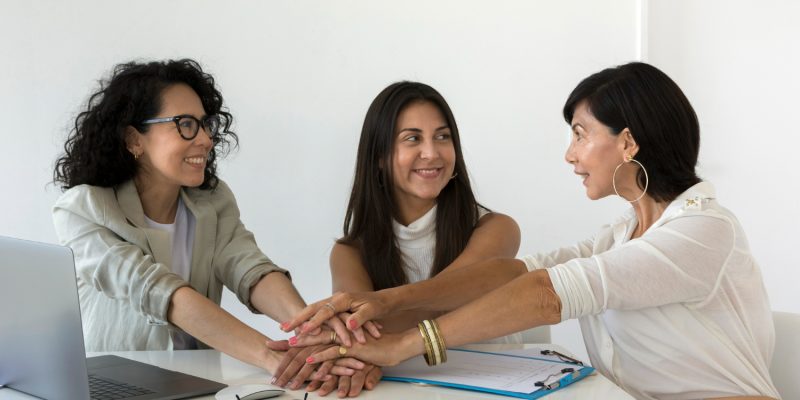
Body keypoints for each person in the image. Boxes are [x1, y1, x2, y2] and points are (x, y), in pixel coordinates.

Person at [282, 63, 779, 400]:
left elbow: (548, 292)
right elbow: (515, 274)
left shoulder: (703, 231)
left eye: (580, 134)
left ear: (627, 143)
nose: (570, 153)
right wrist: (387, 304)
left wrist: (399, 344)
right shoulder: (622, 234)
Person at [51, 59, 358, 376]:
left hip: (196, 379)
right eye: (185, 124)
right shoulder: (82, 210)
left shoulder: (213, 200)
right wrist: (273, 358)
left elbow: (248, 267)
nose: (206, 140)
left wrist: (308, 324)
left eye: (205, 124)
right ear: (134, 140)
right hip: (115, 379)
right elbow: (158, 292)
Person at [271, 81, 522, 397]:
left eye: (442, 137)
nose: (431, 153)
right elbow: (360, 334)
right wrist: (345, 347)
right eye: (412, 138)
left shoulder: (497, 228)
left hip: (498, 386)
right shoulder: (350, 252)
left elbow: (445, 299)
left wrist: (359, 329)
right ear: (379, 156)